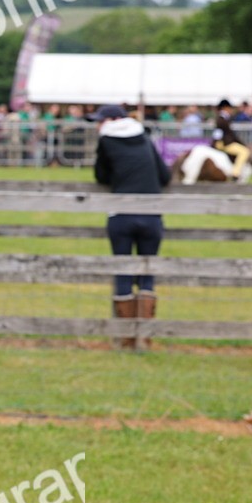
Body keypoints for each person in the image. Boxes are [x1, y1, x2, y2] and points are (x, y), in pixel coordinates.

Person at [92, 104, 170, 351]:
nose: (97, 125)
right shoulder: (144, 137)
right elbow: (164, 176)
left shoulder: (106, 140)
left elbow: (101, 176)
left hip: (122, 214)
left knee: (123, 272)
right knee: (147, 274)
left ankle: (125, 339)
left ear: (112, 120)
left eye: (99, 121)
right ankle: (144, 338)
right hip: (151, 215)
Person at [213, 98, 250, 180]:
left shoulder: (224, 118)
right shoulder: (222, 119)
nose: (230, 110)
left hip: (223, 142)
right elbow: (221, 134)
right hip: (225, 143)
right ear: (225, 108)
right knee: (244, 151)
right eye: (229, 108)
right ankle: (235, 173)